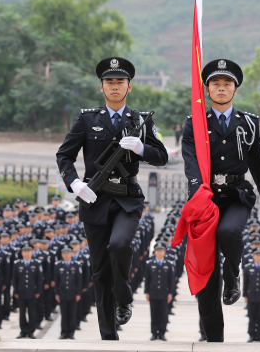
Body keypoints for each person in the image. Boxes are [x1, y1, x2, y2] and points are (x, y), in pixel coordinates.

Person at [56, 56, 168, 340]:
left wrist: (142, 147)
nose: (115, 86)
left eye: (120, 82)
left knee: (119, 244)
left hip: (127, 198)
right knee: (100, 271)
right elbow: (64, 155)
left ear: (129, 87)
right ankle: (108, 336)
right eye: (109, 82)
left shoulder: (140, 120)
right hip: (94, 199)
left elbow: (162, 156)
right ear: (102, 87)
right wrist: (75, 184)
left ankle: (124, 294)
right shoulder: (87, 119)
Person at [181, 59, 260, 342]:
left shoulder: (249, 122)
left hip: (236, 195)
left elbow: (256, 162)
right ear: (207, 89)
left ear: (235, 89)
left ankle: (232, 276)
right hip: (206, 198)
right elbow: (190, 161)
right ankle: (214, 339)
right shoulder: (194, 123)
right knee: (207, 271)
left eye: (227, 84)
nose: (221, 88)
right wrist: (198, 189)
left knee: (229, 231)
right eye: (215, 84)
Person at [144, 243, 175, 341]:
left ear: (164, 252)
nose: (159, 253)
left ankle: (162, 333)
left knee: (163, 314)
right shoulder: (149, 264)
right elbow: (147, 280)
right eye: (158, 251)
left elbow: (171, 281)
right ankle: (154, 332)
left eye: (161, 251)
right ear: (155, 252)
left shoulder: (169, 264)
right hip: (153, 293)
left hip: (164, 294)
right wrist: (146, 292)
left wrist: (170, 293)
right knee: (154, 314)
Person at [13, 245, 43, 339]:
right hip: (21, 292)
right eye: (25, 251)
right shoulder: (17, 263)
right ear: (22, 253)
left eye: (28, 251)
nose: (26, 253)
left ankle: (31, 331)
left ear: (32, 252)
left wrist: (38, 291)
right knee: (22, 313)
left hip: (32, 292)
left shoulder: (37, 263)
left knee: (32, 312)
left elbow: (39, 279)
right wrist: (15, 291)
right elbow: (15, 279)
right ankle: (23, 330)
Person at [54, 247, 82, 340]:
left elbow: (79, 281)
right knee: (64, 314)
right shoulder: (58, 265)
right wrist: (56, 294)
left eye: (68, 253)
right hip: (62, 294)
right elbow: (56, 281)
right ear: (62, 254)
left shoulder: (77, 265)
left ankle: (71, 333)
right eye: (64, 253)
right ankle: (64, 332)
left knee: (72, 314)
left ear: (71, 254)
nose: (66, 255)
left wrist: (78, 293)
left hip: (73, 294)